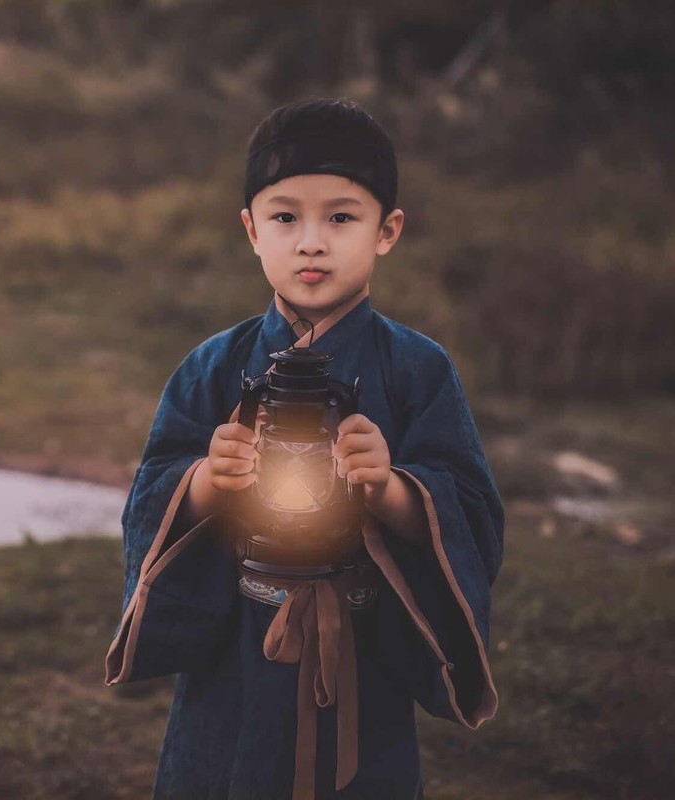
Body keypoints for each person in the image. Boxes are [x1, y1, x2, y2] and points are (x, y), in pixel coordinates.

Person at [105, 97, 505, 800]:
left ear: (388, 231)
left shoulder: (417, 369)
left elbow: (469, 509)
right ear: (251, 230)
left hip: (360, 658)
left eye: (341, 217)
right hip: (234, 659)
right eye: (285, 217)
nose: (311, 242)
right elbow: (151, 495)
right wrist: (204, 481)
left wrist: (394, 489)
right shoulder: (212, 366)